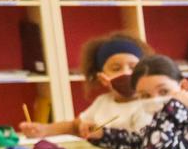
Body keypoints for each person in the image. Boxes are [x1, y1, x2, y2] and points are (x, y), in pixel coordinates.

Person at [21, 33, 151, 138]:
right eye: (116, 69)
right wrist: (44, 130)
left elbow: (141, 140)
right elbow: (74, 126)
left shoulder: (149, 105)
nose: (126, 73)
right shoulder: (102, 102)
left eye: (133, 67)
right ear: (102, 78)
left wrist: (103, 135)